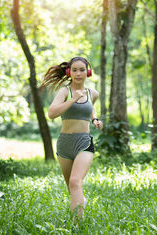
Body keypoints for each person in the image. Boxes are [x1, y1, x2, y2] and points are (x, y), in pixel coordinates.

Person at [41, 56, 103, 224]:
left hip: (84, 142)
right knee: (72, 187)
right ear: (69, 72)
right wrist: (74, 99)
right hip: (65, 143)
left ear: (88, 72)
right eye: (74, 70)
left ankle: (77, 226)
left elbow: (91, 108)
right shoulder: (65, 92)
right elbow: (52, 113)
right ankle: (81, 203)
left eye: (82, 70)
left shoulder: (93, 93)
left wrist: (94, 119)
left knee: (76, 182)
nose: (78, 73)